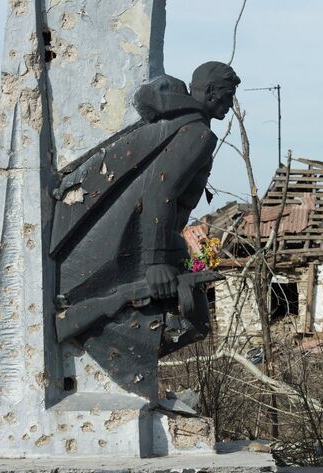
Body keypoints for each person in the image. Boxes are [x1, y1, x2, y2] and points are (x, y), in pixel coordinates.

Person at [49, 62, 239, 397]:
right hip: (140, 244)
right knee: (191, 319)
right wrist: (155, 262)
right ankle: (116, 358)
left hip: (154, 238)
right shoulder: (197, 132)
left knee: (192, 312)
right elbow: (160, 192)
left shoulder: (177, 122)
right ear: (209, 91)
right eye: (228, 94)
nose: (230, 103)